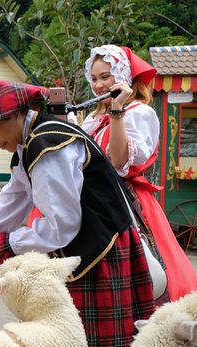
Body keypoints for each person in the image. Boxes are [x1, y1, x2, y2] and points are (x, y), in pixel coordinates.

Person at [0, 80, 156, 347]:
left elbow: (63, 225)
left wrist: (7, 243)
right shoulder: (30, 144)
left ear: (15, 114)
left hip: (102, 252)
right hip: (91, 249)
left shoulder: (48, 145)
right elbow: (9, 204)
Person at [82, 44, 197, 301]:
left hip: (124, 201)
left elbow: (119, 162)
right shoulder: (93, 118)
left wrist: (116, 111)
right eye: (94, 78)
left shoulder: (139, 114)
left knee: (137, 276)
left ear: (123, 77)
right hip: (92, 200)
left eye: (105, 77)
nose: (99, 85)